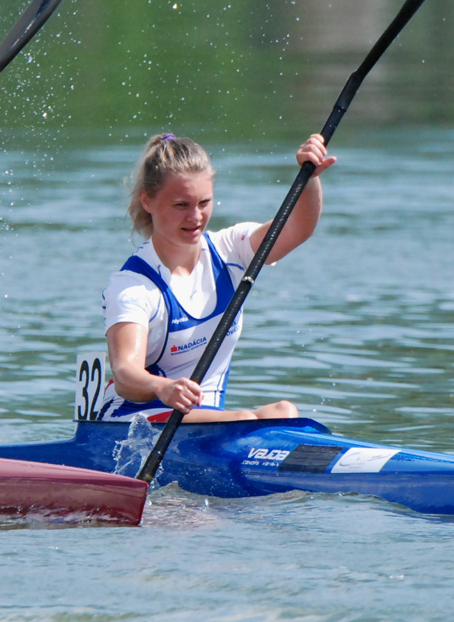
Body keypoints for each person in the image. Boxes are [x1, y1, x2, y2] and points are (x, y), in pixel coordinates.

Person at [96, 131, 334, 423]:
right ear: (147, 201)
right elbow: (125, 376)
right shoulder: (134, 286)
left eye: (203, 202)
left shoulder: (230, 250)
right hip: (132, 423)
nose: (195, 217)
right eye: (181, 205)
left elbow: (296, 230)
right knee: (246, 420)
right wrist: (164, 387)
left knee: (285, 412)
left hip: (207, 422)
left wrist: (309, 178)